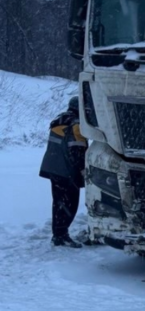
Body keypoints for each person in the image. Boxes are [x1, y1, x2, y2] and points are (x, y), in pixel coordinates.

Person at [39, 96, 88, 248]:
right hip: (66, 170)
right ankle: (61, 236)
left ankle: (58, 234)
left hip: (53, 167)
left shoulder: (59, 120)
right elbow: (77, 151)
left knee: (59, 202)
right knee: (70, 203)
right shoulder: (77, 125)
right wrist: (82, 170)